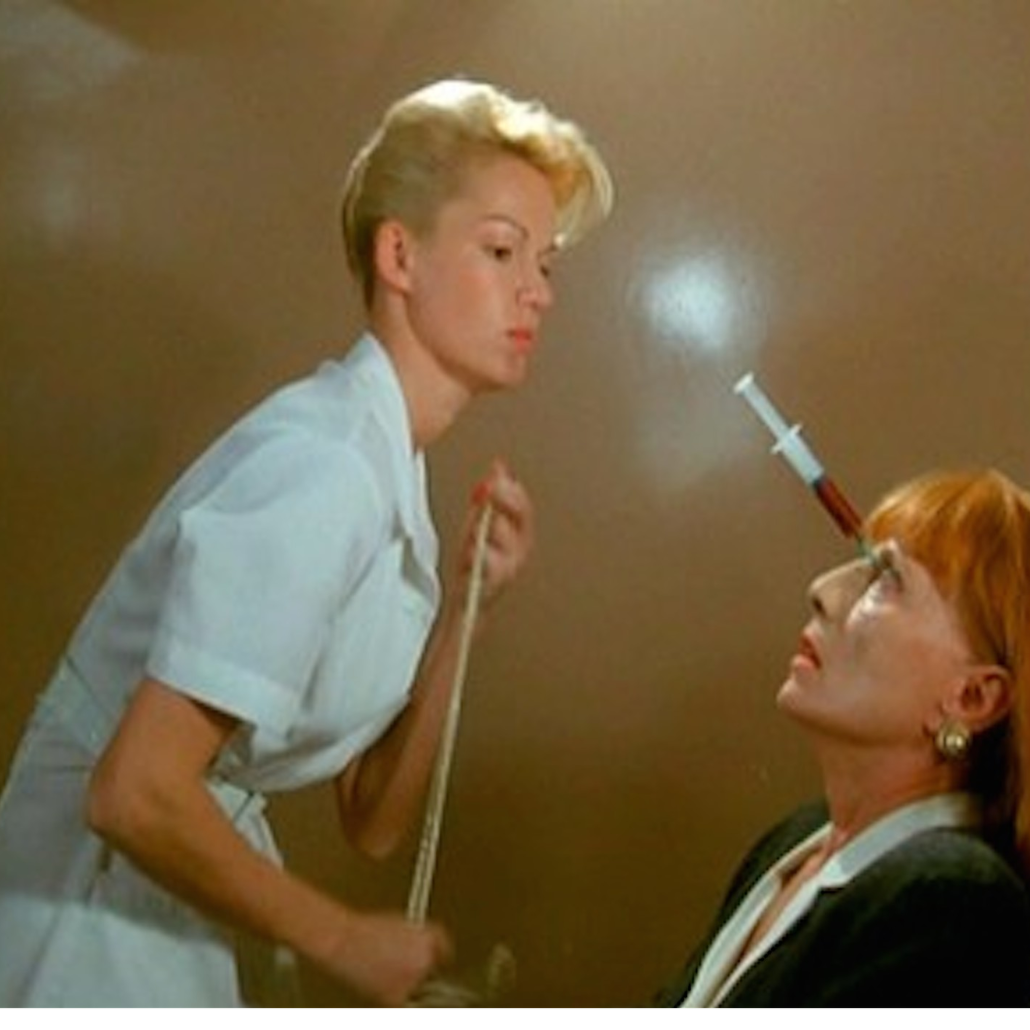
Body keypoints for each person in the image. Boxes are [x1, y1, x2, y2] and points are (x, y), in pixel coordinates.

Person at [0, 78, 613, 1010]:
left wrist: (466, 611)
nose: (537, 291)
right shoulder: (324, 467)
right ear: (399, 255)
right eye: (501, 251)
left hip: (162, 896)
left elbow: (372, 818)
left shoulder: (385, 464)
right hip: (79, 910)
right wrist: (343, 939)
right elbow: (133, 791)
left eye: (547, 263)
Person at [651, 468, 1030, 1009]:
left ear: (972, 698)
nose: (824, 592)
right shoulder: (797, 841)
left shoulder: (950, 897)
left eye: (887, 578)